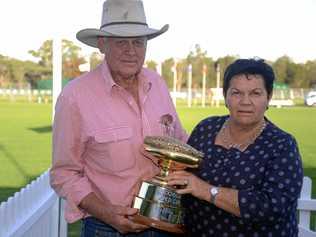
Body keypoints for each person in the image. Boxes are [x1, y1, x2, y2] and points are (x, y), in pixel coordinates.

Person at [49, 0, 187, 236]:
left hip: (164, 225)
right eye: (121, 41)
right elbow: (64, 174)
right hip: (106, 228)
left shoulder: (158, 84)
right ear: (102, 44)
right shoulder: (75, 97)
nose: (131, 50)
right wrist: (106, 213)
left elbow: (180, 142)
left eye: (138, 42)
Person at [167, 58, 303, 236]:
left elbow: (273, 207)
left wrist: (206, 190)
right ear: (225, 96)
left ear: (268, 97)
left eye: (255, 93)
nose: (245, 101)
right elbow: (185, 178)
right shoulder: (206, 128)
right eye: (236, 93)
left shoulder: (282, 145)